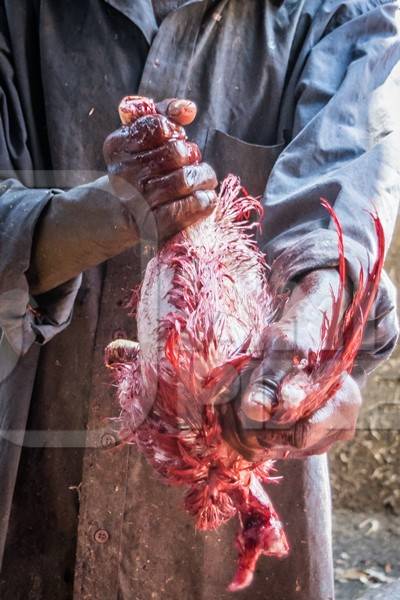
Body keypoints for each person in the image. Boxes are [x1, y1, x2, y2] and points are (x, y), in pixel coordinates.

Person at [0, 1, 398, 598]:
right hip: (32, 516)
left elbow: (344, 183)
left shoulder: (342, 10)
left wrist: (317, 314)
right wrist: (102, 213)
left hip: (229, 531)